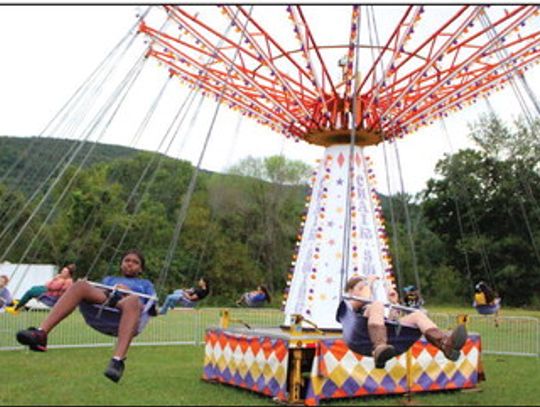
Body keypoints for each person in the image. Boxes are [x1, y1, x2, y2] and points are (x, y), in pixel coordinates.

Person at [15, 249, 156, 383]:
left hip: (128, 308)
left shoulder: (145, 284)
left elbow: (148, 305)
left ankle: (117, 360)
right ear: (121, 264)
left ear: (141, 268)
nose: (130, 264)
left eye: (135, 262)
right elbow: (99, 292)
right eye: (127, 260)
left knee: (133, 301)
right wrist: (101, 289)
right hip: (106, 303)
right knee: (80, 285)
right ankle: (41, 333)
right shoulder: (110, 279)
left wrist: (129, 292)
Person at [343, 274, 467, 369]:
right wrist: (368, 283)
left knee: (417, 315)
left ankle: (445, 344)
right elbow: (362, 300)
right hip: (359, 332)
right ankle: (378, 348)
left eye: (365, 287)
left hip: (381, 333)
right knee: (376, 305)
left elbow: (392, 322)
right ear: (350, 290)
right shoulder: (348, 303)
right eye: (360, 287)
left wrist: (394, 304)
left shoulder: (374, 308)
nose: (365, 290)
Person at [6, 263, 76, 315]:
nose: (62, 272)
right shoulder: (65, 279)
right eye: (62, 270)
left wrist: (55, 279)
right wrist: (53, 281)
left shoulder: (64, 281)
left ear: (69, 274)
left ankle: (16, 309)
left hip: (51, 296)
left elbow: (50, 286)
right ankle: (21, 302)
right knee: (33, 288)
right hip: (50, 292)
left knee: (30, 292)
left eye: (64, 272)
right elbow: (49, 285)